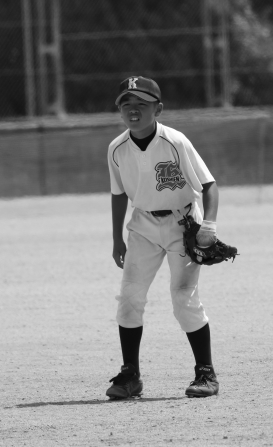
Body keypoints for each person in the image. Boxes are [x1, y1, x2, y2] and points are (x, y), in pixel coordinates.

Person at [106, 76, 221, 399]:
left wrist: (209, 226)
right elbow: (118, 193)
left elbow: (209, 185)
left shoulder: (175, 141)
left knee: (183, 297)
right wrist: (117, 239)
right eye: (126, 104)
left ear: (158, 109)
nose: (133, 110)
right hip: (142, 225)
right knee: (130, 297)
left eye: (142, 104)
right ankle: (130, 375)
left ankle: (206, 373)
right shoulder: (116, 149)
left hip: (182, 223)